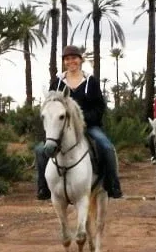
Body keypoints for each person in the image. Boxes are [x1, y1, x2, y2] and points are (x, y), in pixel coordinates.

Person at [35, 45, 122, 200]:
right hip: (62, 129)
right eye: (67, 59)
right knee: (41, 150)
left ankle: (112, 185)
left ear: (80, 60)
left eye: (74, 58)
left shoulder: (91, 81)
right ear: (64, 62)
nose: (71, 61)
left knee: (107, 147)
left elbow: (99, 107)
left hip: (89, 126)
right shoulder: (57, 83)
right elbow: (51, 106)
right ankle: (44, 188)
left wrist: (84, 120)